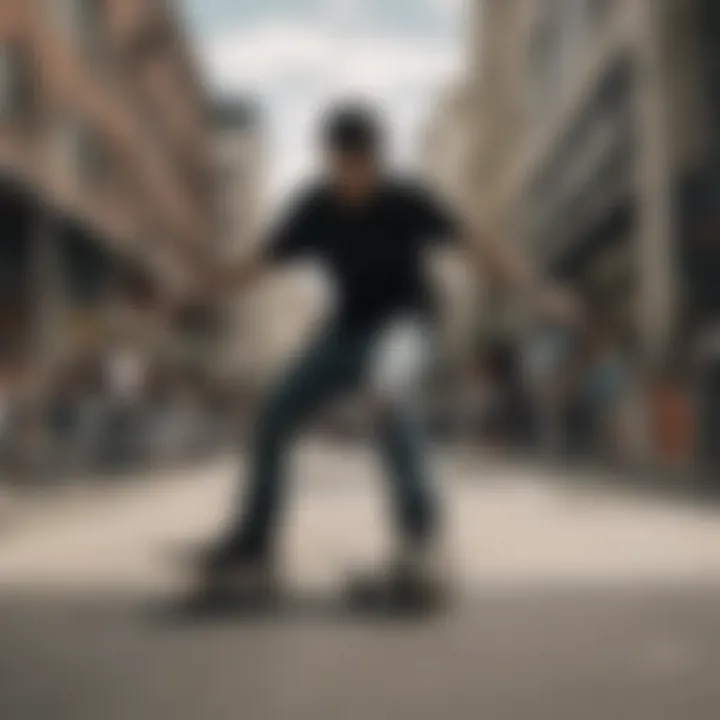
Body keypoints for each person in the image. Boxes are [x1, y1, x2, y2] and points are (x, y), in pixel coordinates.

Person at [191, 102, 577, 604]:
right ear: (330, 160)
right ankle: (254, 544)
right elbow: (260, 264)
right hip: (343, 332)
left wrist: (538, 289)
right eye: (345, 166)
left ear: (377, 159)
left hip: (406, 325)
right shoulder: (315, 208)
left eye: (364, 166)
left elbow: (476, 245)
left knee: (389, 394)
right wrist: (194, 293)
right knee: (273, 411)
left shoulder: (407, 200)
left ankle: (420, 543)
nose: (355, 178)